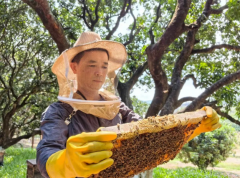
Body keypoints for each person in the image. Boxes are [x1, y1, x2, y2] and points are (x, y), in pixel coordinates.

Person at [37, 31, 221, 178]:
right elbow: (47, 150)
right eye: (92, 65)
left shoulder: (118, 107)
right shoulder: (59, 111)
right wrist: (63, 163)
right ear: (75, 68)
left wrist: (193, 128)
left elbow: (147, 136)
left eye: (104, 66)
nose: (100, 72)